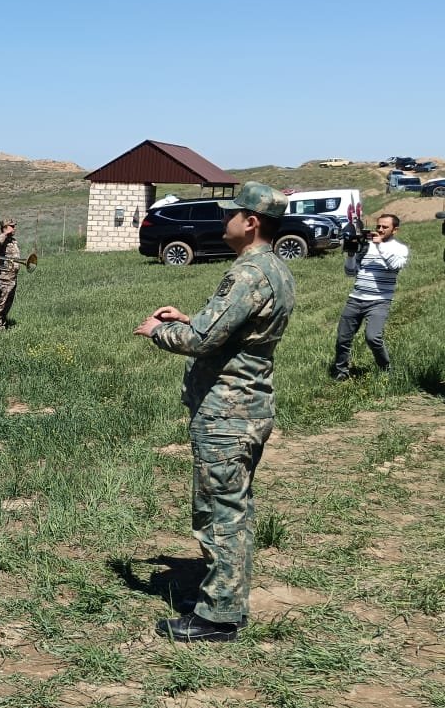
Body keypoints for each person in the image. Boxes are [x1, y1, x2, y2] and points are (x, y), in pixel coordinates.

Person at [135, 182, 295, 643]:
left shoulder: (249, 273)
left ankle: (219, 617)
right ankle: (223, 602)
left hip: (228, 413)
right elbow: (231, 330)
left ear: (252, 222)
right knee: (232, 507)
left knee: (220, 513)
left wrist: (157, 331)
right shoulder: (275, 268)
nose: (224, 220)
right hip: (248, 406)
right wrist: (190, 318)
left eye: (232, 214)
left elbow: (201, 341)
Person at [332, 213, 408, 380]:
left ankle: (385, 368)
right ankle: (341, 371)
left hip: (379, 301)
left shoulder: (399, 249)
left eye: (385, 227)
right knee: (343, 338)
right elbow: (350, 272)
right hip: (355, 298)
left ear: (395, 230)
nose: (380, 229)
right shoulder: (366, 246)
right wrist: (351, 254)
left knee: (373, 337)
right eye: (378, 226)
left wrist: (380, 246)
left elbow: (395, 266)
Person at [0, 218, 23, 329]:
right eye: (12, 226)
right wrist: (5, 233)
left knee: (8, 302)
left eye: (14, 226)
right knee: (1, 303)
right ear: (5, 228)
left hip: (12, 277)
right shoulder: (1, 239)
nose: (14, 228)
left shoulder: (13, 240)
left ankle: (3, 322)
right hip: (4, 278)